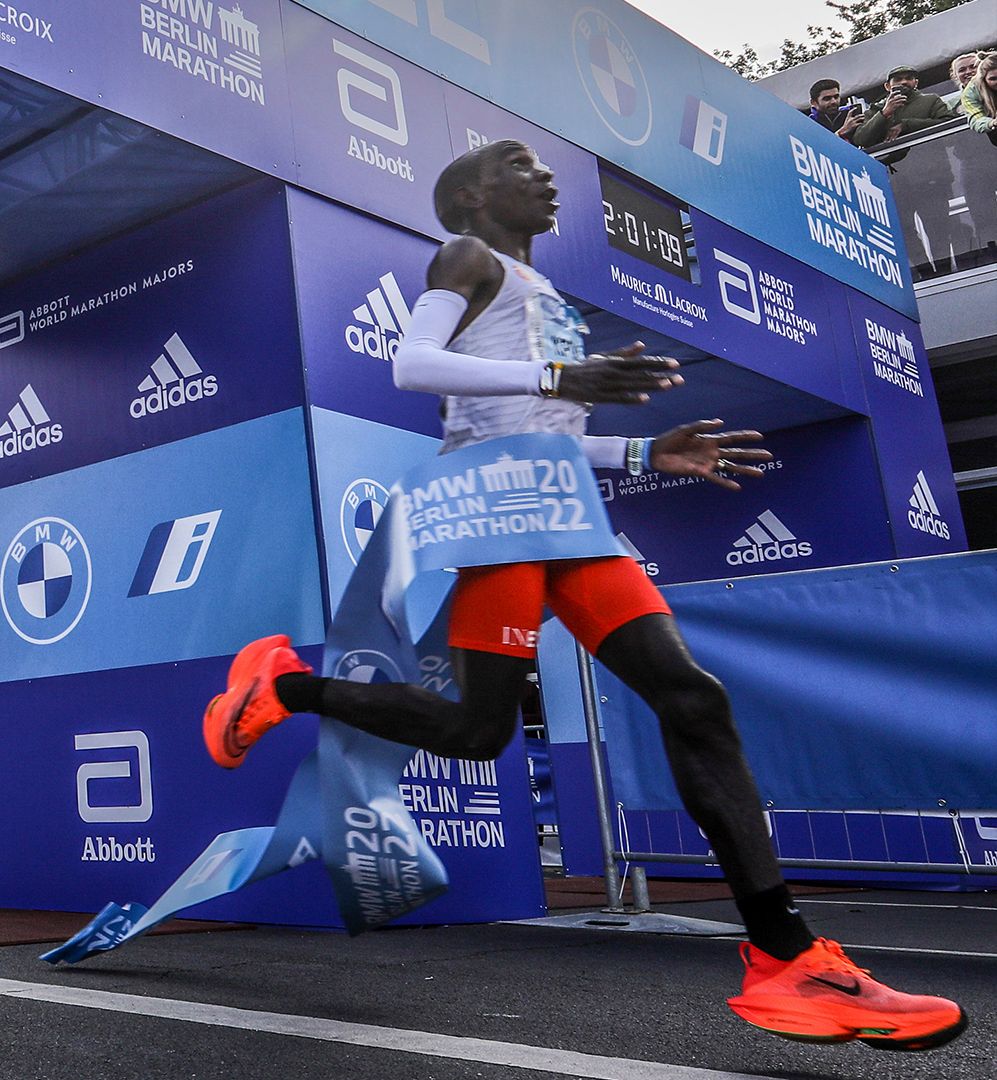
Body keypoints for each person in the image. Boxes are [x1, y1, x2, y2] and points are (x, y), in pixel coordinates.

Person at [206, 141, 965, 1052]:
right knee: (477, 731)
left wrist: (647, 454)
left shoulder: (547, 298)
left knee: (693, 698)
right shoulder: (466, 259)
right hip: (505, 507)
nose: (548, 178)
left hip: (566, 505)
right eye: (523, 166)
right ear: (476, 196)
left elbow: (548, 427)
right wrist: (558, 377)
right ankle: (283, 686)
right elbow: (413, 365)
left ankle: (786, 958)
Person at [854, 64, 958, 149]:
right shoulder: (875, 109)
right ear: (888, 86)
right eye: (898, 80)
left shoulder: (931, 100)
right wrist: (885, 113)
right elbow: (860, 140)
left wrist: (906, 125)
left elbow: (949, 122)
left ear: (916, 83)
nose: (904, 82)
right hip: (893, 167)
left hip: (933, 159)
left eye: (908, 78)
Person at [804, 78, 862, 143]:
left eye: (836, 97)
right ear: (813, 102)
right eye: (827, 99)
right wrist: (841, 132)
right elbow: (819, 147)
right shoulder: (809, 124)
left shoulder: (852, 113)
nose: (833, 101)